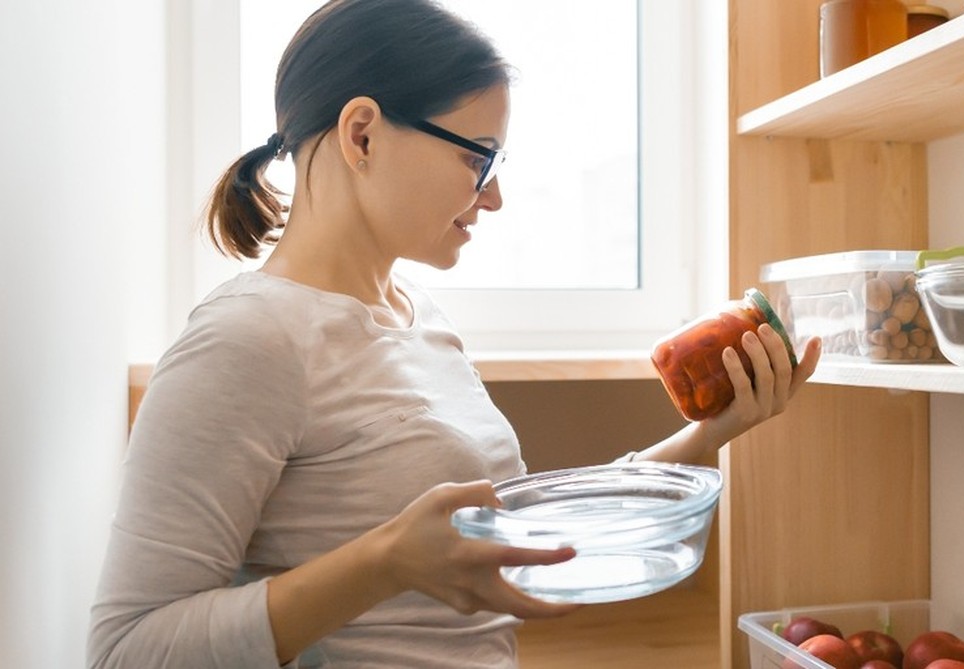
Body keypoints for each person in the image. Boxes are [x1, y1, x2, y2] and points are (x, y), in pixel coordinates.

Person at [87, 0, 822, 667]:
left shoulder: (417, 317)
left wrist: (710, 433)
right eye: (479, 156)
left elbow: (508, 531)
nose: (494, 195)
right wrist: (385, 561)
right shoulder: (247, 339)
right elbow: (128, 648)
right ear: (363, 134)